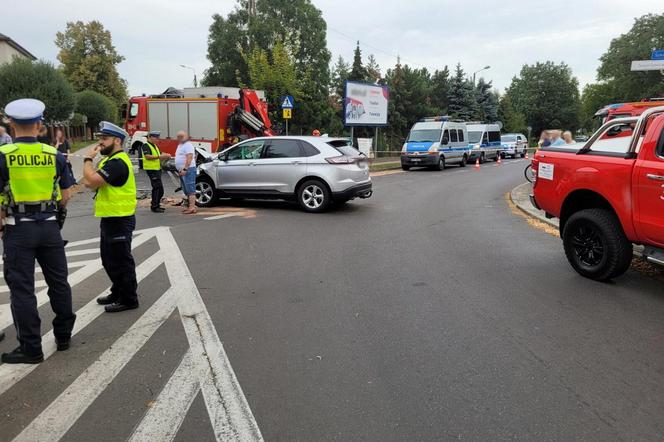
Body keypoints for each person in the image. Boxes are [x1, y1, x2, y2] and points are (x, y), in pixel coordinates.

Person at [0, 98, 76, 364]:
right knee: (59, 283)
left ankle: (31, 348)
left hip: (17, 230)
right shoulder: (53, 154)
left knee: (22, 290)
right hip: (49, 228)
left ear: (10, 123)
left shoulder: (3, 156)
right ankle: (64, 336)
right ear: (40, 124)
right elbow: (66, 194)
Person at [83, 121, 139, 313]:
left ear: (117, 140)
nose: (100, 144)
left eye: (104, 139)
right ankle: (118, 290)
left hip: (120, 219)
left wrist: (87, 160)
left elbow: (91, 182)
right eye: (100, 139)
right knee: (109, 259)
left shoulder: (117, 163)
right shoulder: (110, 161)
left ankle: (129, 298)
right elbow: (92, 182)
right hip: (111, 217)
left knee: (121, 260)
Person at [141, 131, 171, 213]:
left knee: (160, 189)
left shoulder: (154, 146)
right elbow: (147, 156)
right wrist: (160, 156)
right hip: (151, 170)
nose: (157, 139)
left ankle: (156, 204)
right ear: (150, 137)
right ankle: (154, 206)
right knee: (157, 188)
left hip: (157, 169)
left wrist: (166, 155)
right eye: (156, 137)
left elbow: (160, 153)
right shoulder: (145, 145)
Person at [175, 131, 197, 214]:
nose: (180, 138)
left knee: (190, 189)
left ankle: (191, 207)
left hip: (188, 169)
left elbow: (189, 158)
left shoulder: (188, 145)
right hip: (183, 170)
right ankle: (190, 206)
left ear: (186, 137)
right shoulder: (180, 145)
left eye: (182, 136)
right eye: (178, 136)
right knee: (186, 189)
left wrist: (185, 169)